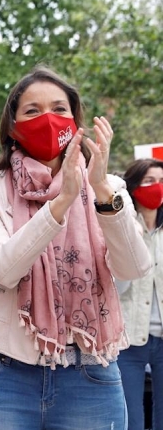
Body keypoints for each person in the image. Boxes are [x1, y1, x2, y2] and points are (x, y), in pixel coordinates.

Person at [0, 66, 152, 429]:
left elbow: (133, 268)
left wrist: (97, 190)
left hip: (91, 377)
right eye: (32, 111)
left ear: (76, 121)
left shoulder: (109, 188)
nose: (48, 119)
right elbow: (0, 272)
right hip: (4, 377)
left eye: (59, 109)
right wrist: (60, 203)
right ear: (12, 126)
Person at [116, 158, 163, 429]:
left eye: (161, 181)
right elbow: (119, 284)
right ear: (133, 187)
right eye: (149, 181)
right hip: (129, 341)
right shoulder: (121, 227)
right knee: (130, 418)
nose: (157, 188)